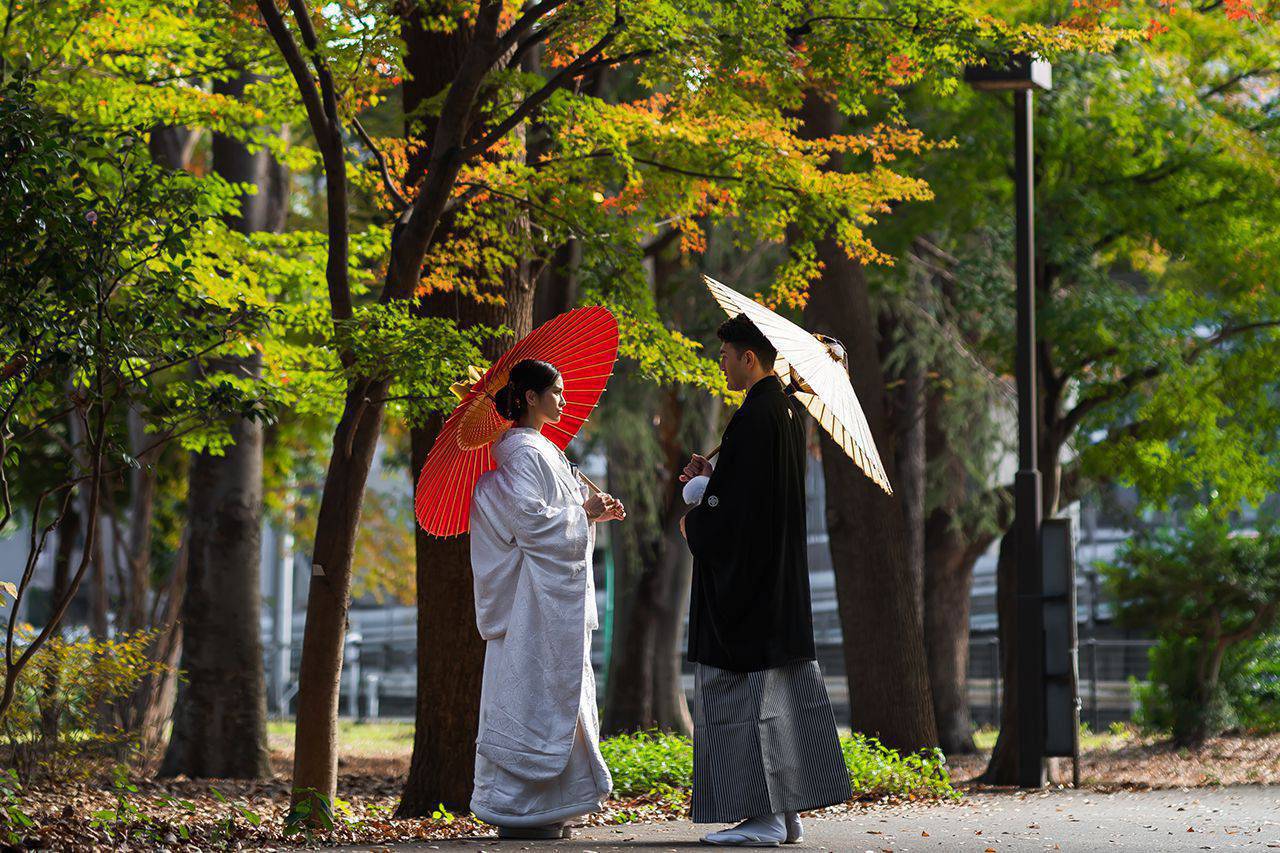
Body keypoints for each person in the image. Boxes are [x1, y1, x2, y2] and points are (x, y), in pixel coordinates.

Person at [679, 314, 851, 847]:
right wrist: (712, 482)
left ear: (749, 358)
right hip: (773, 584)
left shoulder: (756, 417)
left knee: (744, 702)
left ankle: (762, 816)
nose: (722, 362)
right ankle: (786, 812)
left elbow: (733, 512)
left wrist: (696, 508)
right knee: (775, 701)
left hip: (747, 593)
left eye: (727, 354)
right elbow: (749, 494)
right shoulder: (779, 412)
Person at [468, 359, 626, 840]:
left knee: (553, 691)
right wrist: (583, 511)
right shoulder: (523, 453)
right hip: (533, 605)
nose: (563, 399)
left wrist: (590, 514)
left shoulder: (545, 452)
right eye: (555, 391)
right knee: (534, 690)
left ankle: (549, 807)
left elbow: (553, 519)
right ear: (530, 397)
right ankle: (519, 809)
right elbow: (531, 522)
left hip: (548, 599)